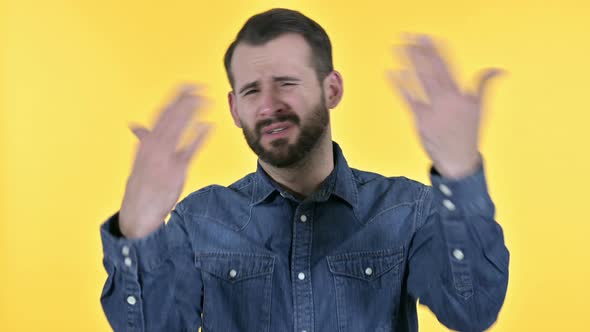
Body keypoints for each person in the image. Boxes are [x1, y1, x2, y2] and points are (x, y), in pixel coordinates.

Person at [99, 8, 509, 332]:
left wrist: (459, 174)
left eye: (286, 82)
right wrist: (137, 233)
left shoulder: (407, 209)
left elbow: (472, 310)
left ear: (331, 89)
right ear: (234, 109)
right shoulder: (197, 220)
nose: (268, 103)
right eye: (251, 90)